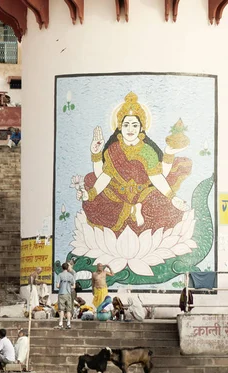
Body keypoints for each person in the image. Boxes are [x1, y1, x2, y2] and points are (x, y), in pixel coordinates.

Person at [77, 92, 191, 237]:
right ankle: (130, 210)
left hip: (143, 195)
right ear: (120, 126)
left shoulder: (147, 151)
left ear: (141, 127)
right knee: (93, 197)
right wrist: (91, 193)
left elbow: (157, 179)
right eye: (126, 125)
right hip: (118, 194)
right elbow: (104, 177)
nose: (130, 129)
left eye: (134, 125)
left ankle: (137, 209)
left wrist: (172, 197)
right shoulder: (113, 150)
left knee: (163, 206)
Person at [56, 262, 75, 329]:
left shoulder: (59, 275)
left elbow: (57, 286)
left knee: (61, 309)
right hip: (68, 293)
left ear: (62, 268)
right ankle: (68, 323)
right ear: (67, 268)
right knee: (68, 310)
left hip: (61, 293)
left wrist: (61, 286)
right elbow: (74, 286)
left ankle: (60, 323)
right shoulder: (70, 276)